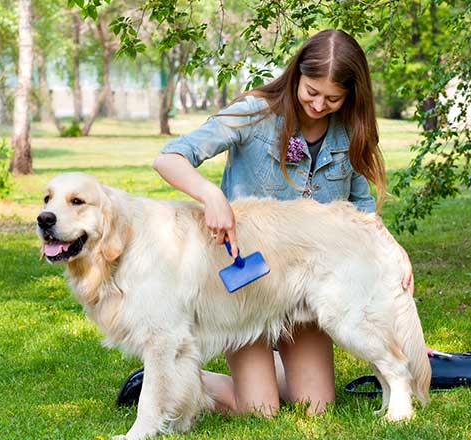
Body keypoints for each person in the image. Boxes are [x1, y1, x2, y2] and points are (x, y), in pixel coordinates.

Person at [138, 29, 413, 417]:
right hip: (247, 283)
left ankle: (277, 369)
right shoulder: (255, 112)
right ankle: (166, 379)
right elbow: (169, 158)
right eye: (312, 91)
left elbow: (363, 211)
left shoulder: (349, 132)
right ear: (297, 73)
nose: (319, 105)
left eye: (333, 98)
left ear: (350, 95)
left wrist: (394, 251)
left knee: (315, 407)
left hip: (306, 279)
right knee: (260, 411)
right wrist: (211, 196)